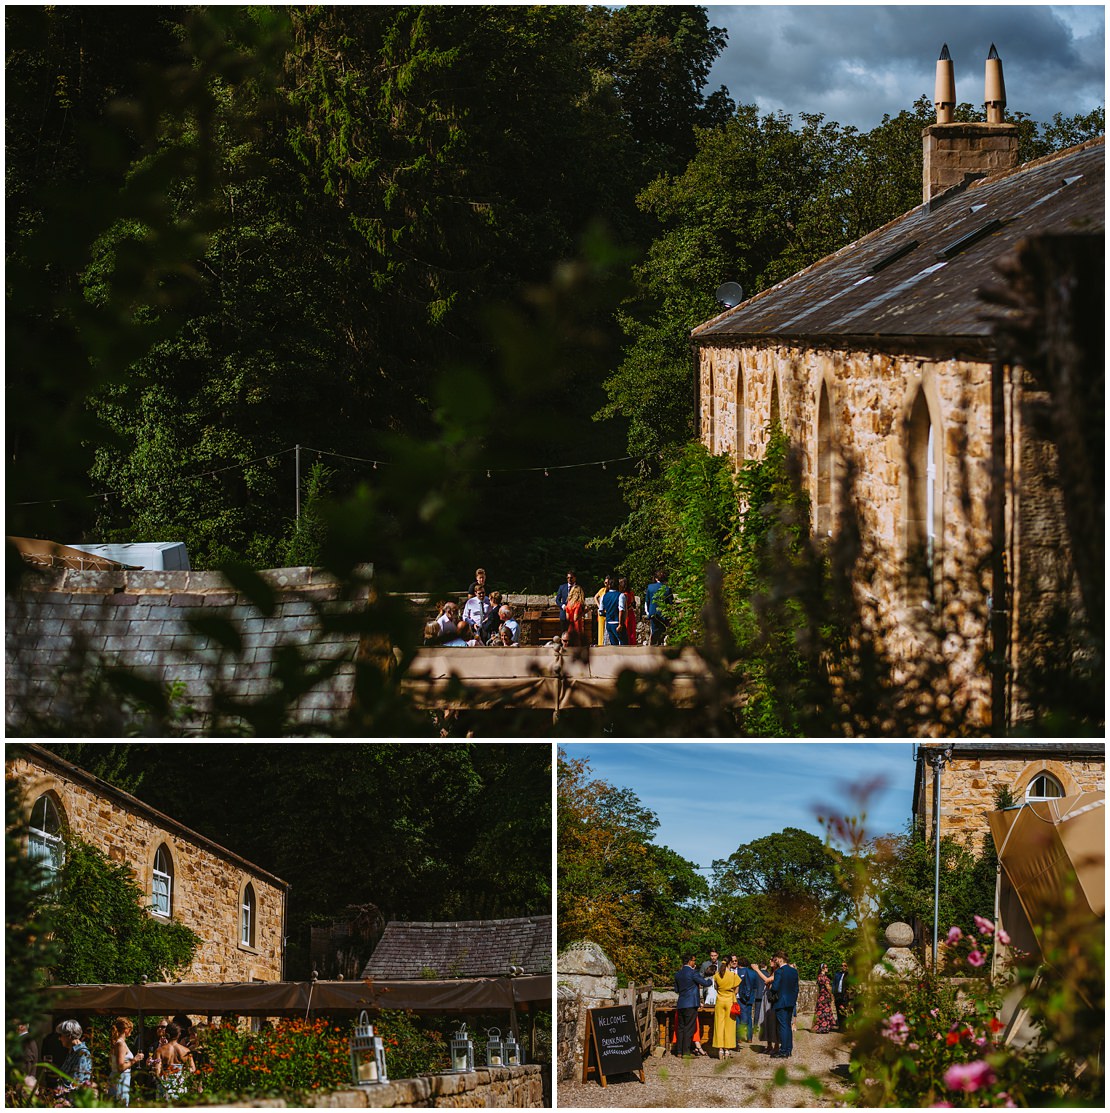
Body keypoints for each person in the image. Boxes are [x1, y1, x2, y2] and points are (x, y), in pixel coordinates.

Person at [673, 953, 712, 1058]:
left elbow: (676, 990)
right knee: (689, 1028)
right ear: (690, 961)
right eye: (694, 960)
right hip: (691, 1004)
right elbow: (705, 983)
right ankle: (686, 1052)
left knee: (680, 1028)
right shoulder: (693, 973)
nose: (695, 962)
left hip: (681, 1003)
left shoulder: (678, 974)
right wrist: (710, 979)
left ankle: (679, 1051)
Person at [51, 1019, 92, 1106]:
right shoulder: (72, 1051)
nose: (59, 1038)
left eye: (60, 1035)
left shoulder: (82, 1054)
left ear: (69, 1035)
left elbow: (76, 1084)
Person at [151, 1022, 194, 1102]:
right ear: (179, 1034)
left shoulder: (159, 1051)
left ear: (167, 1033)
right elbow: (192, 1069)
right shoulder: (186, 1050)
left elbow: (157, 1071)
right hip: (180, 1084)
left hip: (165, 1084)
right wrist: (182, 1077)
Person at [769, 952, 799, 1059]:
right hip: (790, 1001)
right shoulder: (794, 971)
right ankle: (788, 1049)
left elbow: (775, 987)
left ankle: (783, 1050)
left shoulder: (779, 972)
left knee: (782, 1026)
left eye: (776, 959)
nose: (775, 961)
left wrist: (771, 988)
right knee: (787, 1025)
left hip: (781, 1001)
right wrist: (793, 1000)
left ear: (781, 959)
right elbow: (796, 988)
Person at [109, 1016, 145, 1107]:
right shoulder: (120, 1044)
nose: (131, 1031)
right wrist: (135, 1059)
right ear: (126, 1030)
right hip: (121, 1078)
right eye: (130, 1029)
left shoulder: (118, 1042)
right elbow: (120, 1067)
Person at [711, 958, 741, 1059]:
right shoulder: (733, 975)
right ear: (730, 963)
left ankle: (720, 1049)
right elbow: (736, 990)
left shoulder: (716, 975)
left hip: (720, 1001)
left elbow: (715, 987)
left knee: (719, 1025)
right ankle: (727, 1050)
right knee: (729, 1026)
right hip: (730, 1001)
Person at [645, 568, 674, 645]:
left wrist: (648, 611)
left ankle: (653, 643)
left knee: (654, 630)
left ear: (656, 578)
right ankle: (660, 643)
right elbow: (670, 603)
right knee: (662, 630)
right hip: (663, 613)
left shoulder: (650, 587)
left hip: (653, 612)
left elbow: (647, 601)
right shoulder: (667, 589)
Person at [812, 962, 837, 1033]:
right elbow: (828, 987)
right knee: (825, 1011)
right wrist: (832, 995)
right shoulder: (824, 977)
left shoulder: (819, 976)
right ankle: (824, 1028)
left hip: (821, 996)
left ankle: (820, 1028)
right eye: (826, 967)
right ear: (822, 969)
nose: (827, 968)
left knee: (821, 1011)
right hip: (825, 996)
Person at [599, 576, 622, 645]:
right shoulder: (620, 595)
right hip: (617, 622)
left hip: (608, 622)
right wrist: (621, 624)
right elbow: (621, 610)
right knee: (624, 643)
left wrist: (607, 614)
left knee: (613, 644)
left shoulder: (604, 596)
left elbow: (601, 611)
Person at [565, 576, 586, 646]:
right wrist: (584, 612)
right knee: (577, 645)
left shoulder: (568, 604)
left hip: (570, 627)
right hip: (577, 627)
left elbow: (567, 618)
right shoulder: (578, 604)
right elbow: (575, 618)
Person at [618, 576, 637, 646]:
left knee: (627, 631)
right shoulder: (631, 593)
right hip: (631, 613)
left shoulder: (623, 595)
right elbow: (634, 604)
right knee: (632, 631)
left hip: (626, 614)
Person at [592, 576, 611, 645]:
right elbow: (595, 597)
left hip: (609, 612)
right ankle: (600, 643)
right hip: (602, 612)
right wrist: (599, 606)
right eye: (605, 583)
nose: (606, 584)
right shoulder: (602, 590)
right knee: (601, 629)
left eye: (608, 583)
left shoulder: (611, 591)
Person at [832, 961, 851, 1029]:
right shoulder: (837, 974)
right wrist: (833, 993)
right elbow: (834, 984)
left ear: (847, 967)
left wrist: (847, 994)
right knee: (838, 1011)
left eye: (845, 966)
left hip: (844, 995)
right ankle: (840, 1026)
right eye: (842, 965)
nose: (843, 967)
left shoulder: (849, 975)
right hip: (837, 995)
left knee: (844, 1011)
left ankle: (844, 1027)